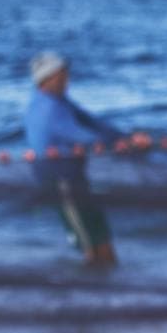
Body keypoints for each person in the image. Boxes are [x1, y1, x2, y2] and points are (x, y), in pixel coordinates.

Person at [23, 51, 145, 265]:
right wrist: (120, 145)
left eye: (65, 74)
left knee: (102, 237)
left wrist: (125, 137)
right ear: (46, 79)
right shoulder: (45, 108)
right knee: (89, 243)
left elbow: (93, 123)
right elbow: (77, 135)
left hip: (75, 178)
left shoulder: (61, 102)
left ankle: (109, 289)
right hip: (59, 181)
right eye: (61, 75)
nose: (66, 79)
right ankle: (87, 292)